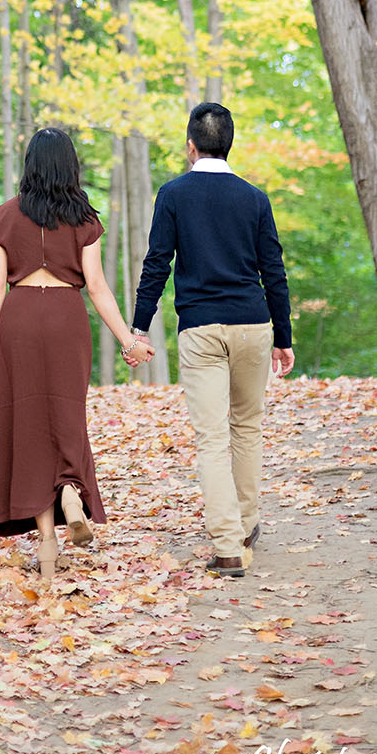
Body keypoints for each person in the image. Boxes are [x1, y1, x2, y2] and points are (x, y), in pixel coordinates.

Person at [123, 101, 293, 577]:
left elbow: (158, 264)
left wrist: (139, 326)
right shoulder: (255, 198)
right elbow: (273, 270)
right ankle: (246, 523)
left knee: (213, 437)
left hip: (201, 329)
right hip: (254, 324)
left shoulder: (174, 194)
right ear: (229, 144)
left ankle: (227, 545)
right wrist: (284, 335)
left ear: (190, 147)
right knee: (247, 427)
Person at [0, 125, 143, 581]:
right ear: (70, 165)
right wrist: (128, 341)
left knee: (28, 426)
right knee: (67, 416)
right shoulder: (85, 219)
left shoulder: (3, 217)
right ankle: (70, 488)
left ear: (30, 164)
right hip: (67, 319)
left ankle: (47, 544)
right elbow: (97, 287)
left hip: (21, 318)